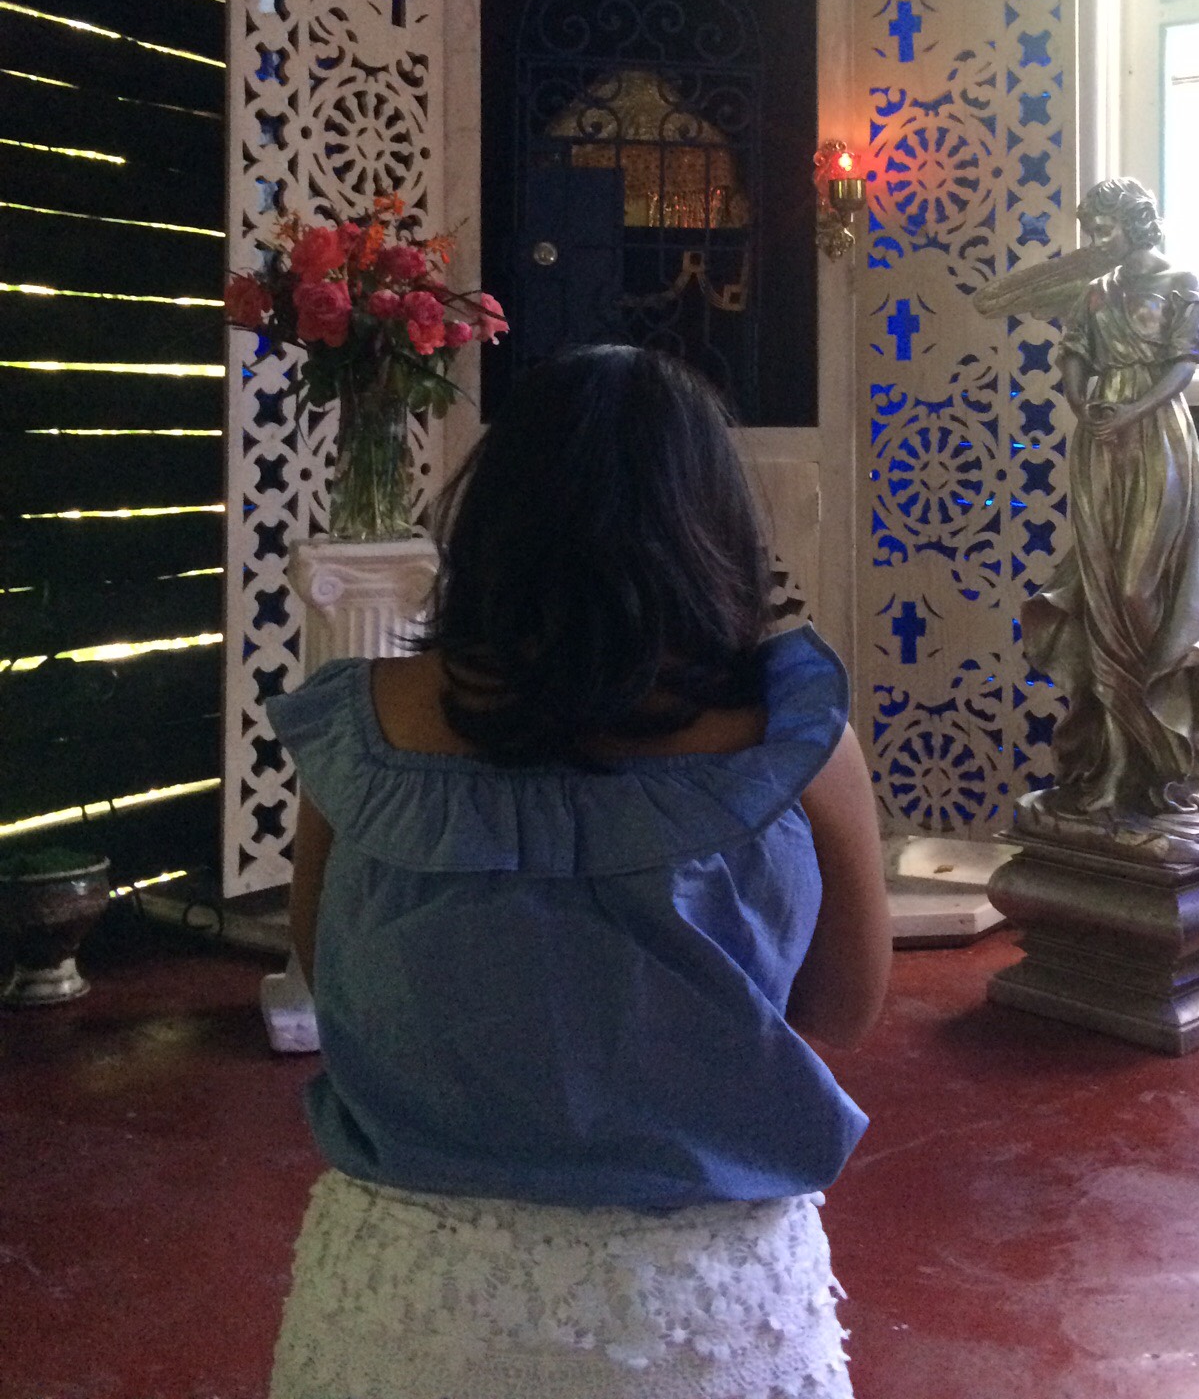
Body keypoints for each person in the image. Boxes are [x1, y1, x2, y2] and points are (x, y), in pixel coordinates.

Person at [266, 344, 890, 1399]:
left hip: (407, 1310)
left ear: (491, 521)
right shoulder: (798, 740)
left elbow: (331, 977)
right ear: (712, 527)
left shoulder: (357, 727)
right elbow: (846, 1007)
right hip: (700, 1320)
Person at [1018, 177, 1199, 822]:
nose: (1098, 240)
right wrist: (1083, 403)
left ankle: (1179, 752)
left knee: (1137, 589)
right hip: (1099, 440)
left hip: (1156, 435)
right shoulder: (1096, 289)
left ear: (1138, 223)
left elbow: (1183, 365)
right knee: (1100, 593)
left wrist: (1131, 410)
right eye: (1091, 230)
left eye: (1107, 228)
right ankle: (1116, 763)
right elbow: (1072, 354)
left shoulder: (1181, 281)